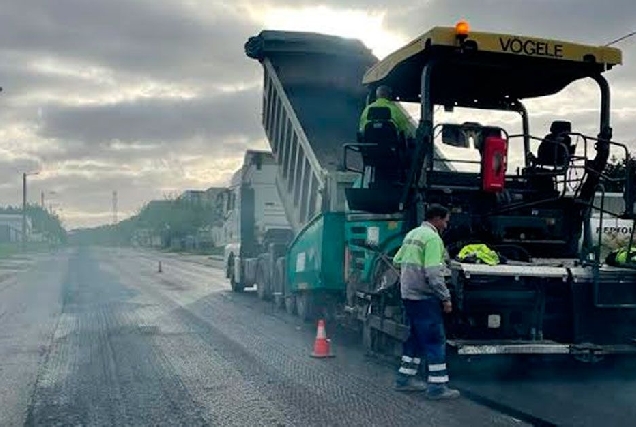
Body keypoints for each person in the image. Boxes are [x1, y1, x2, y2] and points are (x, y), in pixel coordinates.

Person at [392, 203, 460, 400]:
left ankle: (404, 380)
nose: (446, 226)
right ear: (436, 219)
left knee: (415, 337)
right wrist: (445, 297)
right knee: (435, 339)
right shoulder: (432, 238)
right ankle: (437, 387)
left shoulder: (412, 234)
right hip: (424, 297)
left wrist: (410, 276)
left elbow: (397, 260)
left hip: (408, 295)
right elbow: (432, 273)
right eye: (445, 221)